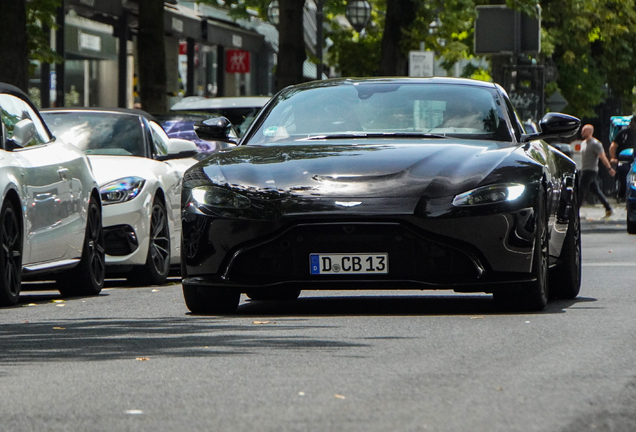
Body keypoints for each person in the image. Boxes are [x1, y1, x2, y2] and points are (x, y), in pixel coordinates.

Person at [579, 124, 615, 217]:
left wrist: (609, 168)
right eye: (582, 130)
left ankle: (575, 209)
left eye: (584, 130)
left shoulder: (595, 144)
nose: (582, 132)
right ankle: (608, 207)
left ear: (590, 132)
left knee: (581, 189)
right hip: (584, 169)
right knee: (595, 190)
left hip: (591, 170)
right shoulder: (583, 143)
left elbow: (603, 157)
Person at [609, 116, 636, 201]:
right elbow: (613, 146)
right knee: (624, 172)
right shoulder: (624, 133)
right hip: (625, 159)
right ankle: (622, 194)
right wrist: (613, 158)